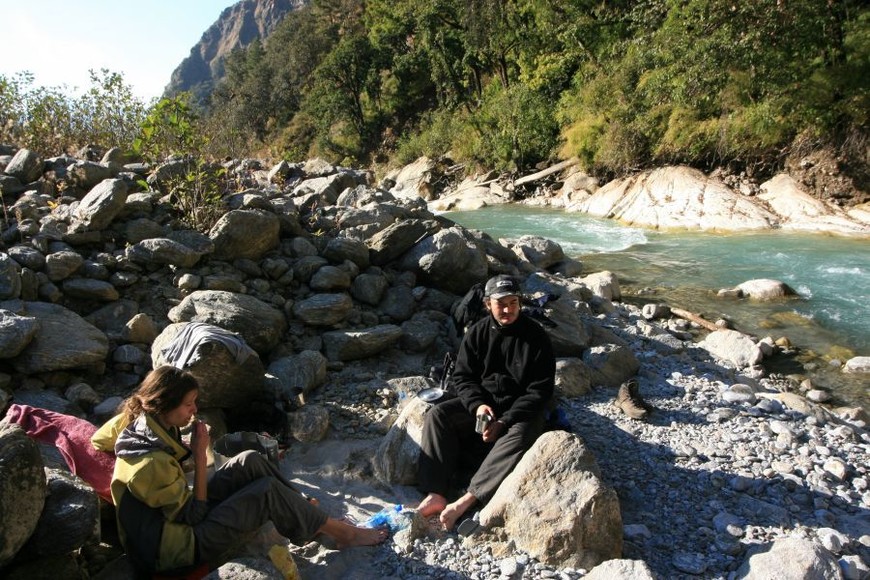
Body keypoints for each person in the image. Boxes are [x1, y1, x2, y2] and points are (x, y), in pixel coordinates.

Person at [91, 365, 387, 576]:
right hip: (174, 549)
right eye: (188, 404)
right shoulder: (151, 463)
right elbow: (193, 516)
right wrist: (198, 451)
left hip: (177, 519)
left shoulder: (137, 420)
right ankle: (342, 532)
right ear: (162, 403)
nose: (194, 410)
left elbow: (97, 439)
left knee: (249, 459)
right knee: (266, 493)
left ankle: (307, 513)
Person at [416, 275, 556, 531]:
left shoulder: (537, 338)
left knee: (521, 435)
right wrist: (478, 405)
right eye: (500, 303)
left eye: (513, 303)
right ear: (487, 304)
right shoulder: (478, 332)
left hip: (518, 412)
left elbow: (541, 390)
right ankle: (435, 492)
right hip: (486, 407)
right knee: (438, 415)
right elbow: (462, 376)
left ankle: (469, 498)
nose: (508, 310)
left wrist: (505, 421)